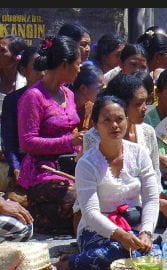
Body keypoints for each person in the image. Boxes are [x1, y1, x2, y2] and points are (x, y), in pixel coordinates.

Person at [55, 95, 160, 270]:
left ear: (127, 120)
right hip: (97, 230)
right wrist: (120, 235)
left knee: (157, 256)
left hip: (133, 225)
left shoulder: (139, 154)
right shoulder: (87, 163)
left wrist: (146, 233)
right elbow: (91, 213)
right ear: (95, 125)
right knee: (118, 255)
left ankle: (80, 260)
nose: (114, 125)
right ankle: (69, 263)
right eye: (107, 120)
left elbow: (151, 198)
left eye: (119, 119)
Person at [85, 74, 167, 229]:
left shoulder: (147, 132)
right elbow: (109, 189)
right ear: (121, 106)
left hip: (144, 207)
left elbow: (154, 175)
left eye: (145, 102)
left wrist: (166, 198)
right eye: (138, 104)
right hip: (106, 211)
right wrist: (159, 203)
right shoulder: (95, 137)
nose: (145, 108)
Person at [17, 36, 83, 235]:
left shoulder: (68, 94)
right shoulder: (33, 96)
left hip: (70, 166)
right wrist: (68, 142)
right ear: (64, 65)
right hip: (42, 172)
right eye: (77, 64)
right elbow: (27, 142)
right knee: (75, 198)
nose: (80, 69)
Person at [1, 45, 43, 190]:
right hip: (23, 166)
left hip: (51, 168)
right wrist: (16, 167)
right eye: (37, 67)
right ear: (24, 70)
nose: (43, 73)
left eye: (47, 67)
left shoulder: (60, 98)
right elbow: (9, 140)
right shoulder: (13, 100)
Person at [71, 63, 104, 134]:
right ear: (83, 88)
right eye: (99, 88)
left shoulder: (92, 109)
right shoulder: (65, 106)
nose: (101, 92)